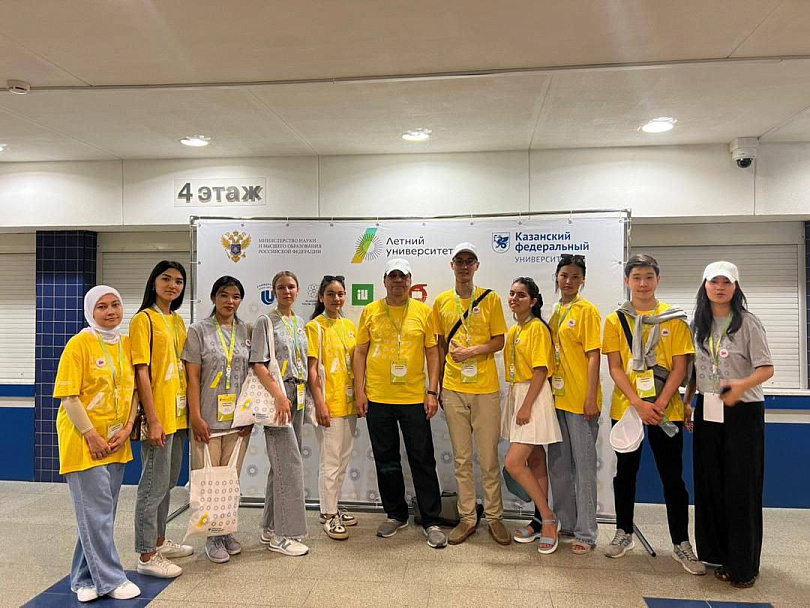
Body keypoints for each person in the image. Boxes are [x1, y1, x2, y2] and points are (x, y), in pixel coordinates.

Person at [601, 254, 705, 574]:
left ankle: (681, 544)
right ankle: (623, 532)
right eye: (637, 278)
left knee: (672, 477)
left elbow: (680, 368)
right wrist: (638, 402)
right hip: (628, 408)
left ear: (658, 280)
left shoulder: (675, 319)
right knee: (625, 474)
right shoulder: (615, 320)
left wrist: (658, 404)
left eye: (648, 277)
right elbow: (615, 368)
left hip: (666, 410)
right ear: (627, 281)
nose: (643, 284)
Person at [685, 261, 773, 588]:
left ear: (736, 287)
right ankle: (718, 554)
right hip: (708, 408)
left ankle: (743, 566)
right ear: (704, 286)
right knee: (710, 484)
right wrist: (688, 403)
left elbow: (766, 369)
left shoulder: (748, 323)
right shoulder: (697, 324)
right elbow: (695, 371)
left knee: (741, 487)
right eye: (714, 282)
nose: (719, 288)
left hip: (742, 411)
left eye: (726, 282)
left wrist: (740, 385)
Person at [54, 286, 141, 602]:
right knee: (97, 514)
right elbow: (69, 396)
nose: (110, 311)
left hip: (116, 439)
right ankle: (111, 580)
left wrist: (128, 427)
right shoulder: (79, 344)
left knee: (100, 515)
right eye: (102, 307)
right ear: (90, 311)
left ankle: (82, 578)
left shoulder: (127, 345)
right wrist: (91, 435)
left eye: (115, 304)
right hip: (84, 440)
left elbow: (134, 391)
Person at [353, 258, 447, 549]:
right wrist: (359, 391)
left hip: (414, 398)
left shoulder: (424, 312)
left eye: (402, 276)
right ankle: (395, 514)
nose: (397, 281)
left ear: (410, 281)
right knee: (386, 460)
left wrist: (432, 391)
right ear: (384, 281)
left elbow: (433, 353)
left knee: (423, 459)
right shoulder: (370, 311)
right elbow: (360, 352)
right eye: (392, 276)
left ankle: (431, 520)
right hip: (378, 398)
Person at [431, 243, 509, 545]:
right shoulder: (442, 301)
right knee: (462, 459)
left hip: (485, 389)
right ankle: (467, 518)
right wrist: (437, 386)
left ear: (477, 266)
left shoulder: (491, 298)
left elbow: (499, 340)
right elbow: (439, 346)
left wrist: (471, 351)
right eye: (459, 261)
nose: (464, 266)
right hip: (453, 389)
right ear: (452, 265)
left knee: (488, 458)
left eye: (470, 261)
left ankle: (495, 517)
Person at [183, 276, 253, 563]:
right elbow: (192, 377)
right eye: (224, 295)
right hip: (207, 420)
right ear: (213, 298)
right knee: (210, 480)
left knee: (230, 481)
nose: (230, 301)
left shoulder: (246, 330)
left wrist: (249, 414)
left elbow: (252, 376)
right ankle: (212, 536)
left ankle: (226, 530)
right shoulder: (198, 331)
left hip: (238, 421)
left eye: (236, 296)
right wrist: (196, 416)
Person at [132, 261, 193, 578]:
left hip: (179, 416)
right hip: (159, 416)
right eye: (166, 279)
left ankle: (159, 541)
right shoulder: (143, 320)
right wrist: (153, 419)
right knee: (152, 487)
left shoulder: (178, 321)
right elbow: (141, 372)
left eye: (179, 281)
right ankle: (146, 555)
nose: (172, 285)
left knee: (168, 483)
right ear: (153, 282)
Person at [545, 254, 602, 554]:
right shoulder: (555, 311)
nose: (568, 281)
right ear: (557, 277)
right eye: (564, 275)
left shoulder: (587, 311)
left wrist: (590, 397)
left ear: (583, 281)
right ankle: (566, 523)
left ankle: (587, 532)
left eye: (575, 277)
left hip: (581, 402)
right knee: (559, 466)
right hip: (557, 400)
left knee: (584, 468)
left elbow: (594, 355)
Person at [501, 277, 562, 554]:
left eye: (521, 295)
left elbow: (541, 371)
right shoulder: (516, 329)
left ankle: (549, 518)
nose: (514, 298)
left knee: (514, 462)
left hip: (533, 397)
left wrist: (526, 406)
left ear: (533, 301)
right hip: (519, 392)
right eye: (512, 293)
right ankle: (538, 520)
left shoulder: (537, 328)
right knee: (536, 459)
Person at [250, 271, 309, 557]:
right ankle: (284, 536)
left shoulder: (299, 322)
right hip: (280, 397)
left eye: (291, 287)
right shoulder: (266, 321)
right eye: (281, 287)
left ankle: (270, 526)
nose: (287, 291)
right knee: (289, 465)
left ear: (298, 291)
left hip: (298, 395)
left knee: (281, 466)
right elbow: (258, 363)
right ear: (273, 291)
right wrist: (278, 396)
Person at [306, 275, 359, 540]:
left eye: (340, 294)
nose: (336, 299)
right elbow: (312, 370)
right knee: (330, 463)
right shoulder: (315, 327)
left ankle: (334, 507)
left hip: (349, 403)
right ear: (321, 297)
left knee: (343, 459)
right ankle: (328, 515)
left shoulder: (349, 326)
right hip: (329, 404)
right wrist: (320, 403)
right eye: (330, 294)